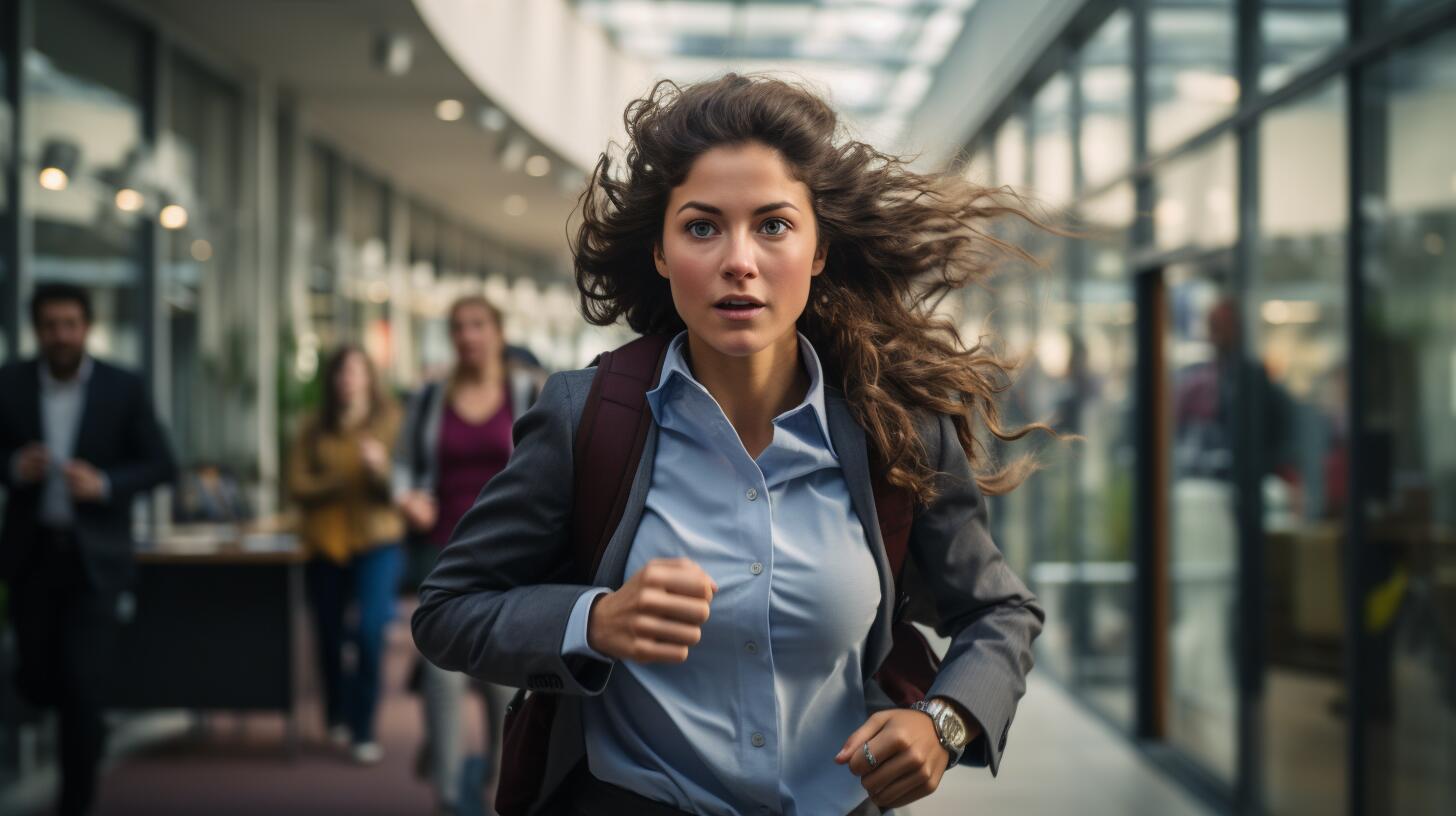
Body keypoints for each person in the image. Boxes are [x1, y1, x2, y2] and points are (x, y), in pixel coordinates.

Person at [413, 74, 1047, 815]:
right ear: (659, 250)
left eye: (773, 225)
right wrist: (595, 620)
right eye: (702, 226)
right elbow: (447, 609)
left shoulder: (894, 426)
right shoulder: (587, 416)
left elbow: (1000, 613)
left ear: (818, 249)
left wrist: (946, 723)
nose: (738, 260)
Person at [0, 283, 176, 815]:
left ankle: (75, 804)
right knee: (36, 677)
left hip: (95, 563)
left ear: (87, 327)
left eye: (70, 324)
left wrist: (104, 484)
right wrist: (12, 469)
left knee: (84, 691)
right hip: (32, 559)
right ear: (37, 330)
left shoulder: (121, 387)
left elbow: (162, 464)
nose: (60, 335)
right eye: (50, 325)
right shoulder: (9, 385)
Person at [394, 296, 544, 814]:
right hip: (444, 551)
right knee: (442, 674)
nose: (468, 336)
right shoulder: (432, 396)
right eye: (458, 327)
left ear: (498, 332)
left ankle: (506, 792)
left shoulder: (526, 390)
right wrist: (406, 497)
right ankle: (449, 794)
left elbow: (550, 463)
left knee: (503, 681)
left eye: (477, 325)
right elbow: (404, 465)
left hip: (508, 555)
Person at [288, 345, 403, 765]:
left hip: (377, 541)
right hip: (326, 545)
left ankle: (363, 726)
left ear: (369, 378)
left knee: (371, 632)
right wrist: (344, 475)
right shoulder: (312, 428)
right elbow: (297, 487)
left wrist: (380, 470)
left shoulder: (391, 423)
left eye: (356, 372)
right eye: (341, 372)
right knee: (329, 635)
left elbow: (399, 491)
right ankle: (335, 709)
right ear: (332, 380)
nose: (348, 380)